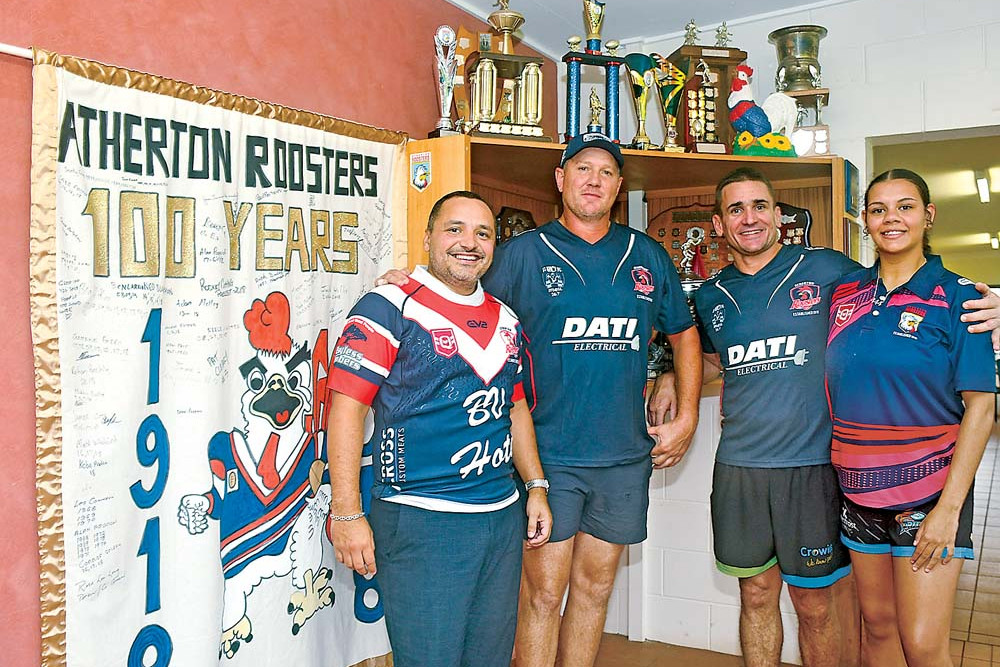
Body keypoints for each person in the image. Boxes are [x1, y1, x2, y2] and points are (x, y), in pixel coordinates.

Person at [375, 132, 704, 667]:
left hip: (623, 456)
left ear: (619, 186)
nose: (593, 180)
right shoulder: (522, 254)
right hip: (547, 456)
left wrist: (685, 409)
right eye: (581, 169)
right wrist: (407, 284)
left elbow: (683, 332)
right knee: (543, 596)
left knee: (595, 590)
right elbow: (461, 290)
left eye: (605, 171)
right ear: (560, 179)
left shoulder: (647, 255)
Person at [657, 167, 1000, 667]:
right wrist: (671, 373)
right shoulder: (722, 295)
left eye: (759, 206)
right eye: (736, 209)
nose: (749, 219)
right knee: (815, 611)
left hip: (844, 474)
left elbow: (977, 393)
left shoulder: (832, 274)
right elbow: (710, 359)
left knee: (873, 624)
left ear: (779, 216)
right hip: (795, 475)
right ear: (718, 223)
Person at [325, 190, 552, 667]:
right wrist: (345, 512)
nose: (469, 243)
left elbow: (513, 407)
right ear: (428, 237)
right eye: (455, 229)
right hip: (423, 518)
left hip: (499, 516)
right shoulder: (389, 305)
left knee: (488, 658)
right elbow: (345, 407)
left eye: (483, 233)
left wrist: (535, 486)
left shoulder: (506, 318)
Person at [825, 169, 996, 667]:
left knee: (922, 645)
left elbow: (981, 408)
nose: (891, 219)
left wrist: (948, 510)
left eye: (905, 206)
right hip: (856, 491)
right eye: (878, 209)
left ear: (928, 216)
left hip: (929, 494)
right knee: (877, 629)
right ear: (865, 222)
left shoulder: (959, 298)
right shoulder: (844, 295)